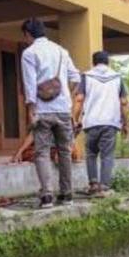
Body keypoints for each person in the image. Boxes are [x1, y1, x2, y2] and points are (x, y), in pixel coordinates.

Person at [20, 18, 80, 208]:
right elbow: (76, 77)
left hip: (43, 110)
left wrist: (31, 110)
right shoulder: (62, 51)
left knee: (42, 152)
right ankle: (67, 194)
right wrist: (67, 95)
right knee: (64, 151)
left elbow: (30, 84)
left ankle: (47, 196)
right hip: (63, 109)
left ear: (28, 34)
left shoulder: (29, 53)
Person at [73, 51, 129, 197]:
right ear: (108, 62)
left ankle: (93, 185)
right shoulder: (117, 77)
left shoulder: (86, 76)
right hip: (110, 122)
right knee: (107, 155)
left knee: (91, 154)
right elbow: (124, 102)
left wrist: (75, 118)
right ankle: (104, 188)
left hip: (91, 122)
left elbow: (79, 99)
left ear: (94, 62)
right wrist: (126, 123)